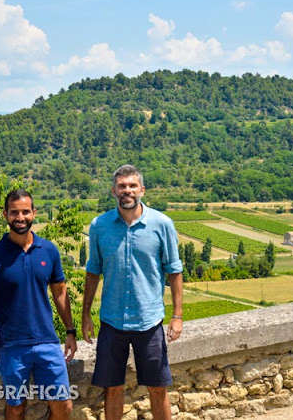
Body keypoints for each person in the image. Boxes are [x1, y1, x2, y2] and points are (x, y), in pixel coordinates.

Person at [82, 164, 184, 420]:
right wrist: (85, 315)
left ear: (142, 190)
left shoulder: (162, 224)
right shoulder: (99, 226)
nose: (127, 191)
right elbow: (93, 272)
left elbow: (174, 271)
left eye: (132, 186)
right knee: (113, 389)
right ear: (113, 191)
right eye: (122, 186)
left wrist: (177, 315)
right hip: (112, 322)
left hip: (149, 322)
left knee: (157, 388)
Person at [0, 189, 77, 420]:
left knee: (63, 405)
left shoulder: (49, 250)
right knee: (16, 407)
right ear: (5, 215)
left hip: (47, 342)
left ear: (34, 213)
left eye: (25, 212)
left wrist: (70, 331)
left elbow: (60, 292)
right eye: (14, 212)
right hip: (10, 347)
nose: (20, 217)